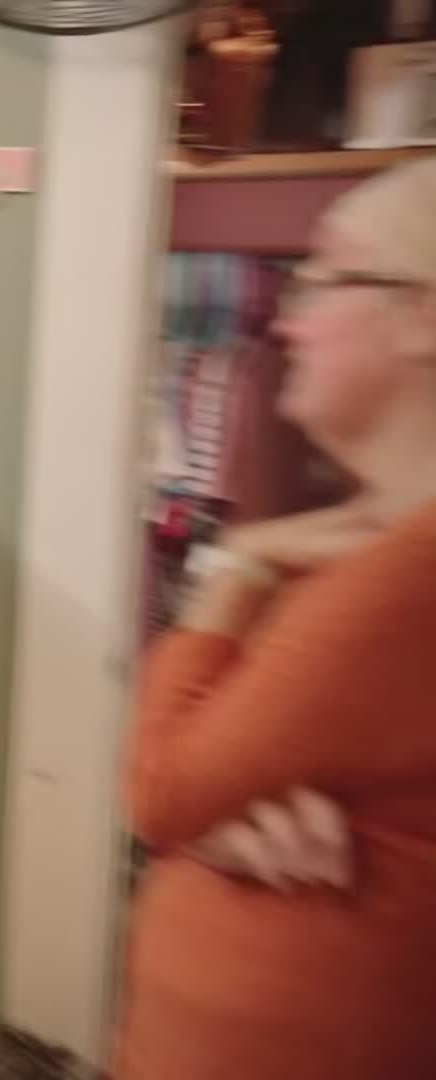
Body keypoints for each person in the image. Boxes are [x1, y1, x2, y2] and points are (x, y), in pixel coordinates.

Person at [118, 157, 436, 1078]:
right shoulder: (368, 539)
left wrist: (235, 566)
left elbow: (160, 789)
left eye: (322, 280)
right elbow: (200, 780)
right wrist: (214, 809)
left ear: (423, 316)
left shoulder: (407, 570)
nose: (283, 321)